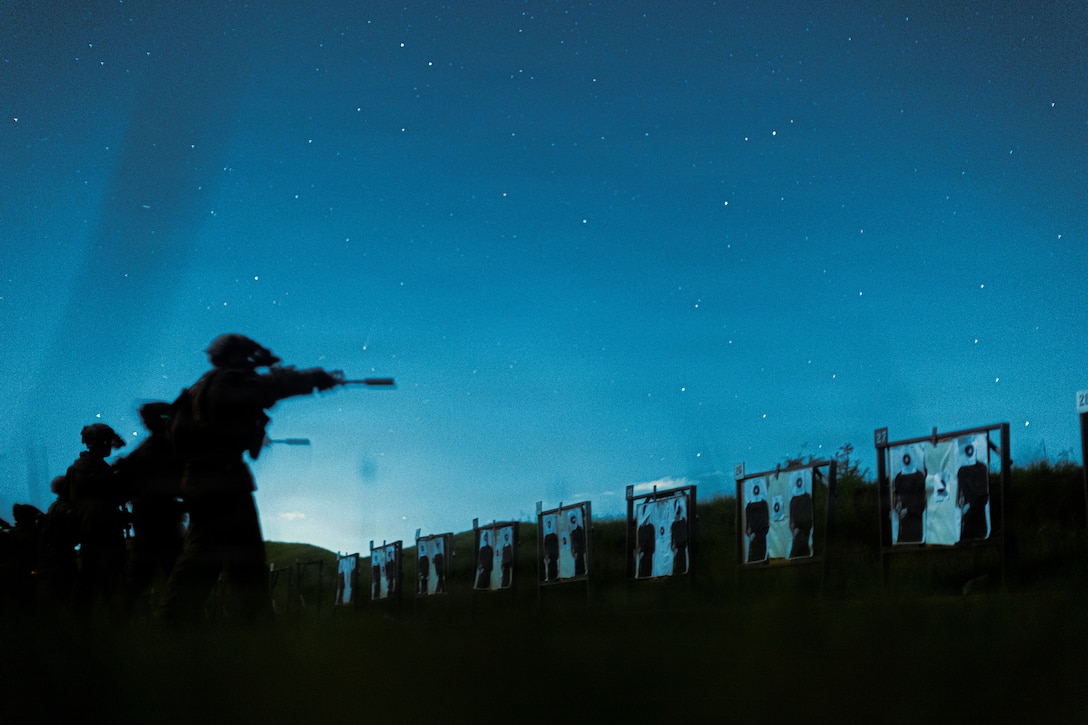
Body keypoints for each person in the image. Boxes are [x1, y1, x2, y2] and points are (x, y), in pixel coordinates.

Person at [158, 334, 343, 624]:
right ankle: (177, 625)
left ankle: (244, 631)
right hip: (222, 483)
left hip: (210, 481)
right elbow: (270, 387)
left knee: (231, 561)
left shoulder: (203, 385)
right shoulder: (227, 381)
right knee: (213, 561)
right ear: (233, 357)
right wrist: (316, 377)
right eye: (244, 356)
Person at [113, 401, 186, 619]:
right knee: (173, 569)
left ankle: (121, 618)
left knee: (141, 572)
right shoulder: (165, 447)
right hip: (162, 517)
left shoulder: (146, 449)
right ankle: (176, 620)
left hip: (147, 516)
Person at [67, 423, 128, 616]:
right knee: (106, 582)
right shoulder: (92, 469)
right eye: (107, 443)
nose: (110, 447)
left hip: (93, 530)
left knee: (89, 581)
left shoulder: (82, 467)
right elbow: (109, 496)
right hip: (102, 532)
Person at [745, 482, 770, 563]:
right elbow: (747, 525)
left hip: (760, 538)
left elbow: (765, 525)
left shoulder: (763, 504)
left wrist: (754, 533)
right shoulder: (749, 506)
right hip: (756, 538)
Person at [569, 511, 586, 577]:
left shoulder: (579, 529)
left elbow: (581, 540)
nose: (573, 520)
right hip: (576, 550)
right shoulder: (571, 530)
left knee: (580, 562)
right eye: (572, 519)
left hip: (579, 549)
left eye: (574, 519)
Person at [542, 515, 559, 581]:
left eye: (550, 523)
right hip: (549, 554)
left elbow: (556, 545)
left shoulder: (554, 535)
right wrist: (546, 555)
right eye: (548, 523)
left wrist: (557, 554)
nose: (549, 524)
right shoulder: (546, 536)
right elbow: (545, 546)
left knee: (554, 565)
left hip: (554, 554)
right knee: (549, 567)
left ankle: (555, 577)